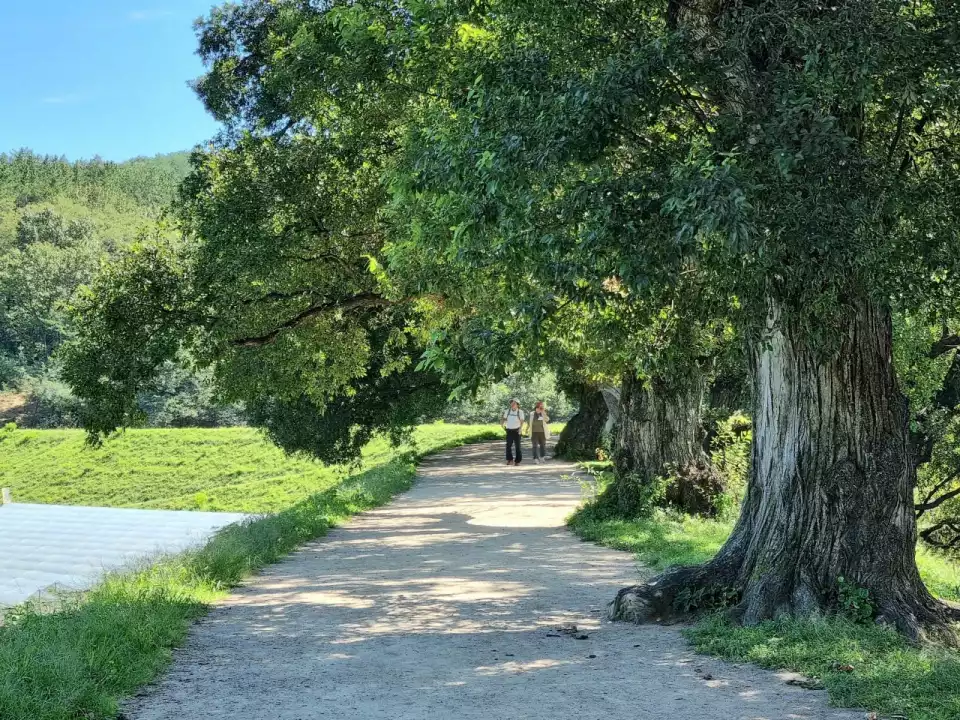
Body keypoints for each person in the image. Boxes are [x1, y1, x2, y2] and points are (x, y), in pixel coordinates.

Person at [501, 398, 525, 465]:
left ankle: (517, 461)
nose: (512, 404)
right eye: (511, 403)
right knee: (508, 446)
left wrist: (520, 429)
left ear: (517, 404)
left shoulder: (520, 412)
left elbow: (522, 421)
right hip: (509, 430)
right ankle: (510, 459)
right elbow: (504, 418)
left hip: (517, 430)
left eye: (514, 403)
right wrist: (502, 423)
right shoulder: (507, 411)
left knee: (518, 447)